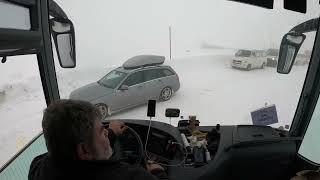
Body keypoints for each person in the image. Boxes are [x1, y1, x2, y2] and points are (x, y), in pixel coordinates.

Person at [28, 99, 167, 180]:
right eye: (102, 131)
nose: (107, 131)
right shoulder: (132, 176)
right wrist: (157, 172)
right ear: (83, 150)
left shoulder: (38, 168)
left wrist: (110, 133)